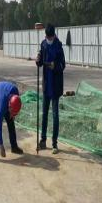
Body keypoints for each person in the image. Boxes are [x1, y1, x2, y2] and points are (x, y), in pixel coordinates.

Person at [36, 24, 66, 154]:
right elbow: (40, 62)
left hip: (55, 86)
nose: (48, 39)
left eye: (50, 37)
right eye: (47, 37)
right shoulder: (43, 44)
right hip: (46, 85)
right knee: (44, 114)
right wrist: (38, 60)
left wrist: (56, 66)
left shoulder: (58, 46)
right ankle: (43, 140)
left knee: (55, 115)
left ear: (54, 35)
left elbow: (63, 65)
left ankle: (54, 143)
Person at [0, 81, 24, 163]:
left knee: (11, 122)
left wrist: (12, 114)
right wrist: (1, 145)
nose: (11, 113)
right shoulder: (2, 106)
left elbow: (15, 107)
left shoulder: (16, 93)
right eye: (11, 111)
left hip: (3, 94)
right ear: (9, 106)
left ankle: (14, 147)